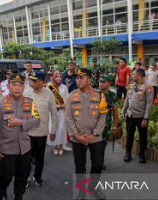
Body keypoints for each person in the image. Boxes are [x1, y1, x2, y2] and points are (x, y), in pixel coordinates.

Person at [0, 74, 40, 200]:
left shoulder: (30, 103)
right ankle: (2, 189)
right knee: (6, 175)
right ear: (8, 86)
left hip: (25, 148)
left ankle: (19, 195)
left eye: (20, 85)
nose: (17, 88)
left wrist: (21, 123)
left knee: (22, 175)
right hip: (6, 148)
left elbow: (37, 121)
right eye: (14, 84)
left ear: (24, 87)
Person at [65, 68, 108, 200]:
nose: (78, 80)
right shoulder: (71, 96)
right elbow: (68, 117)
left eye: (81, 78)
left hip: (95, 137)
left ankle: (93, 187)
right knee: (80, 166)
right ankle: (82, 192)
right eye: (77, 78)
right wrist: (76, 135)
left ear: (89, 80)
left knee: (98, 164)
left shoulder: (99, 95)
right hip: (78, 138)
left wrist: (94, 134)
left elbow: (102, 116)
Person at [24, 71, 58, 186]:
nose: (31, 83)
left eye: (34, 81)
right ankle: (25, 177)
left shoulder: (49, 94)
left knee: (39, 158)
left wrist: (53, 131)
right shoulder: (26, 92)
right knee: (26, 157)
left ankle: (37, 176)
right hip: (27, 131)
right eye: (31, 80)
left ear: (42, 82)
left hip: (41, 132)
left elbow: (54, 114)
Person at [122, 69, 154, 164]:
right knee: (129, 135)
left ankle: (141, 154)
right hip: (130, 115)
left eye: (134, 74)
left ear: (139, 76)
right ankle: (128, 153)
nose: (132, 75)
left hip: (141, 117)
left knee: (142, 137)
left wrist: (146, 118)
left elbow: (149, 103)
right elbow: (127, 100)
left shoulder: (148, 87)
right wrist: (123, 111)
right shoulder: (131, 85)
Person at [47, 70, 70, 155]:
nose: (58, 78)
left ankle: (61, 145)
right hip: (53, 112)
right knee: (54, 128)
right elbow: (47, 101)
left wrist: (64, 105)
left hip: (62, 112)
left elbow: (67, 99)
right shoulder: (49, 87)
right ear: (52, 77)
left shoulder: (64, 87)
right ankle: (55, 146)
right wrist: (56, 106)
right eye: (56, 76)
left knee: (62, 128)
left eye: (60, 76)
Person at [99, 75, 118, 170]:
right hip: (95, 125)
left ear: (109, 83)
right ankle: (97, 161)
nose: (101, 84)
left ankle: (100, 161)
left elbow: (115, 111)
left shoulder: (112, 95)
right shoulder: (95, 94)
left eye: (103, 82)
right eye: (100, 82)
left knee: (103, 145)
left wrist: (115, 125)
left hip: (106, 125)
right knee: (96, 145)